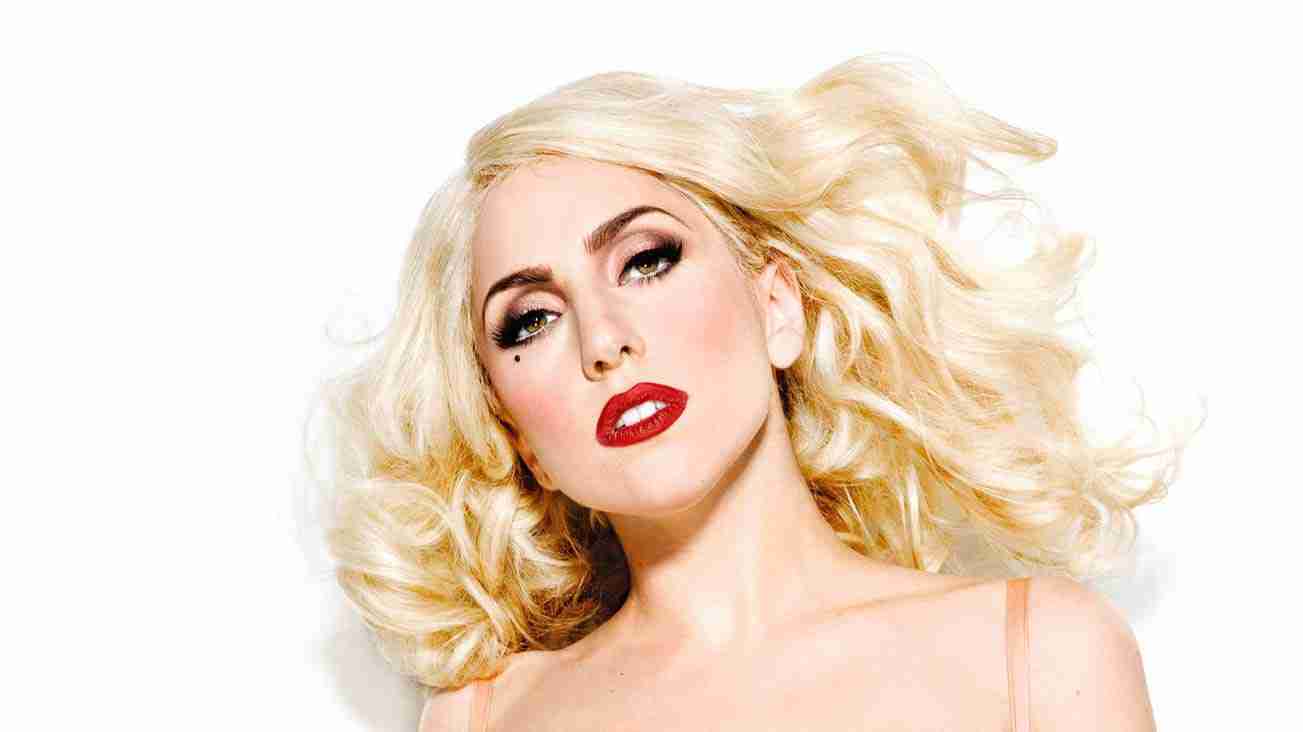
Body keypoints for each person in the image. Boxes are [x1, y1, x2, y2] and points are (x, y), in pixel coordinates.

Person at [309, 53, 1200, 730]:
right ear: (514, 434)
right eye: (531, 321)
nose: (603, 341)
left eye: (645, 261)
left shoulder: (1038, 654)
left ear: (776, 306)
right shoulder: (480, 717)